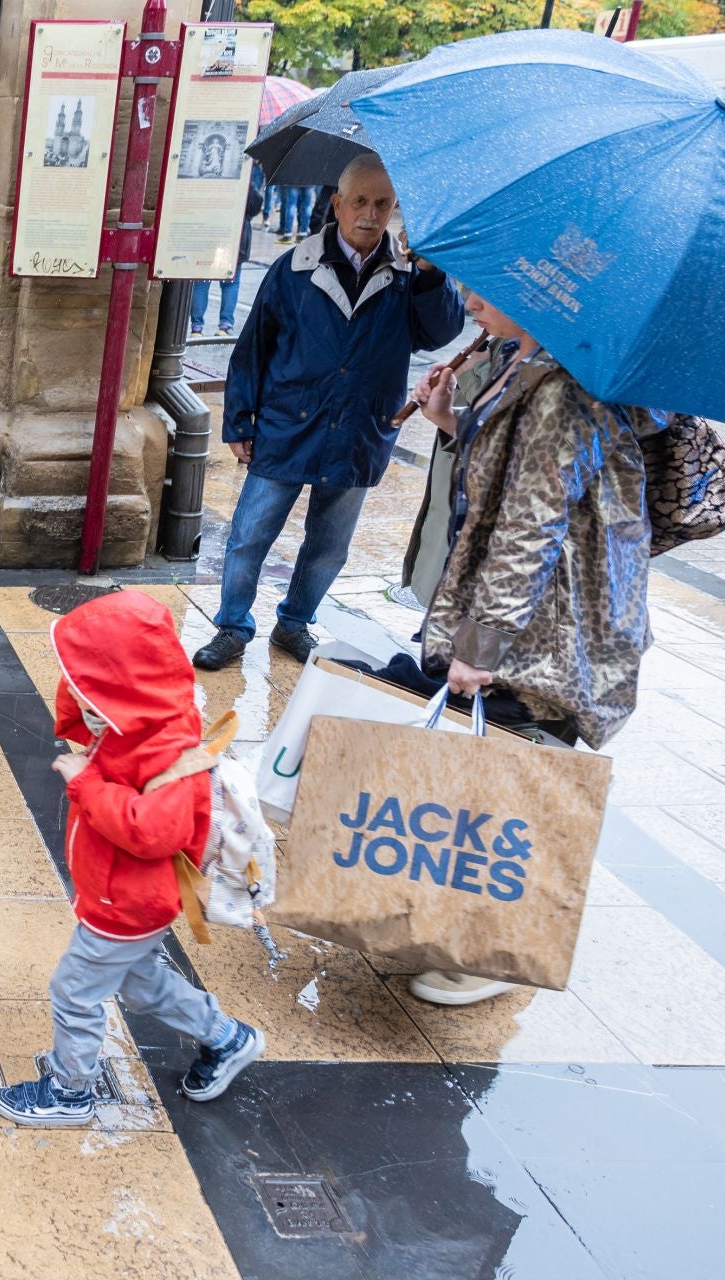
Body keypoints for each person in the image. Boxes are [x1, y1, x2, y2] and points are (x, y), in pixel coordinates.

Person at [404, 288, 651, 1006]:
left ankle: (491, 951)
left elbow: (527, 529)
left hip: (549, 628)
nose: (471, 298)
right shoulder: (522, 362)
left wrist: (479, 647)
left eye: (494, 290)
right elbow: (498, 482)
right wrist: (452, 422)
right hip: (522, 619)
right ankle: (465, 931)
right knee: (493, 773)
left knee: (521, 775)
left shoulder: (567, 393)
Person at [0, 590, 265, 1127]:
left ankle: (70, 1091)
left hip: (128, 905)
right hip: (125, 898)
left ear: (122, 686)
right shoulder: (132, 724)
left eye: (87, 686)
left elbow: (151, 832)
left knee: (74, 991)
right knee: (142, 984)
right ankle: (227, 1039)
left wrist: (86, 781)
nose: (76, 694)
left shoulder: (167, 751)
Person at [195, 154, 464, 671]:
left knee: (328, 547)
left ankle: (294, 623)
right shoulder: (294, 267)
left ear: (395, 210)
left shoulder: (412, 274)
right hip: (288, 423)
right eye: (359, 201)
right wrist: (239, 419)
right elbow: (253, 347)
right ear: (337, 204)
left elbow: (440, 333)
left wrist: (431, 271)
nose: (370, 213)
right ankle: (232, 627)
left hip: (361, 428)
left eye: (383, 203)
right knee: (250, 534)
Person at [191, 184, 262, 337]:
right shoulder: (243, 177)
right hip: (235, 236)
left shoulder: (210, 180)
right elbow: (255, 205)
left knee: (201, 282)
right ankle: (225, 325)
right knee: (231, 283)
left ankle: (196, 328)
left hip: (208, 233)